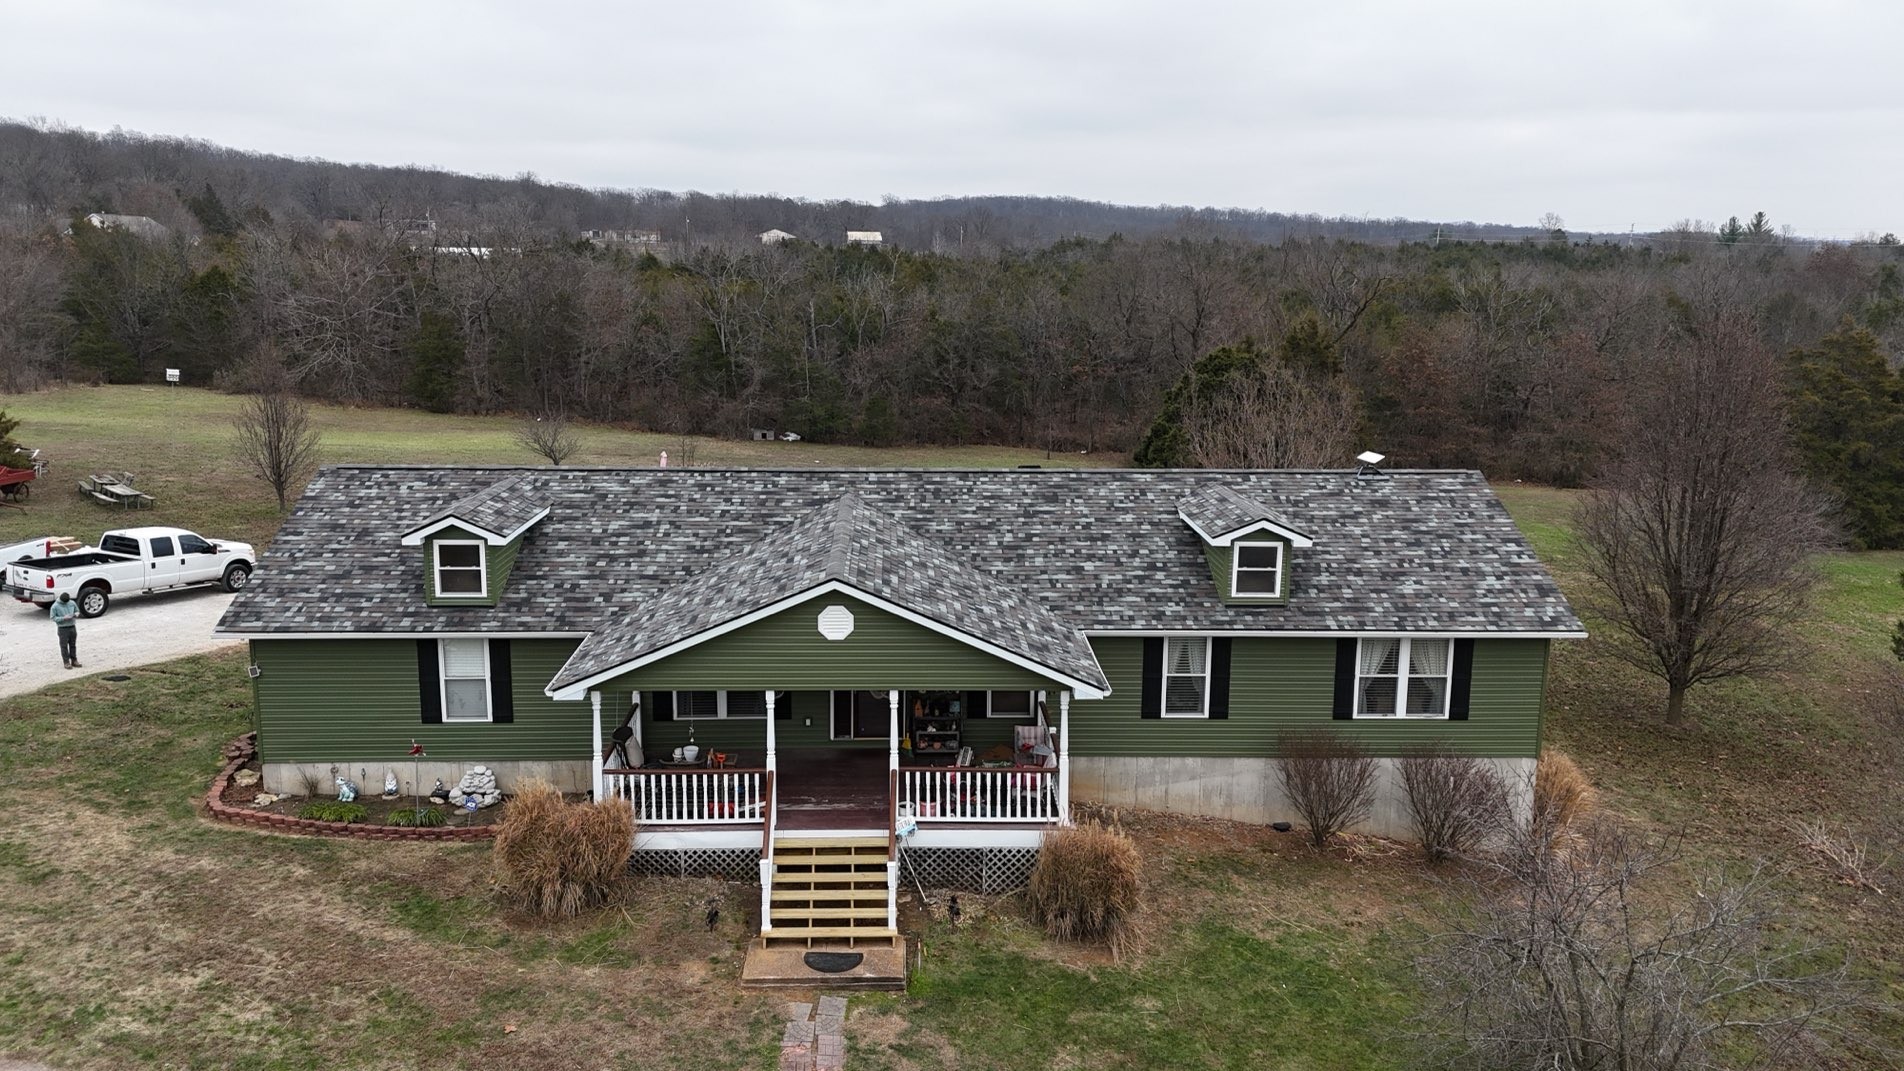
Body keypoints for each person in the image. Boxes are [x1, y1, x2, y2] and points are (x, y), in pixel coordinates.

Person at [50, 592, 79, 668]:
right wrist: (63, 618)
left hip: (72, 626)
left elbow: (77, 610)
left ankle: (74, 660)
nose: (66, 603)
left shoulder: (72, 603)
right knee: (64, 646)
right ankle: (66, 662)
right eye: (64, 603)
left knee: (73, 645)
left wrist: (76, 614)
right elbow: (53, 618)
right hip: (62, 628)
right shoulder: (55, 606)